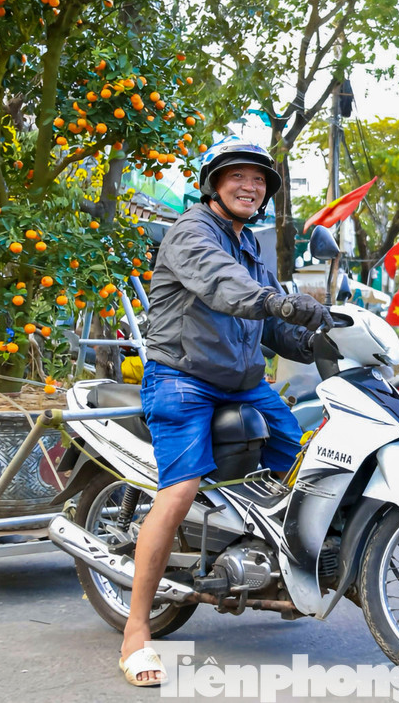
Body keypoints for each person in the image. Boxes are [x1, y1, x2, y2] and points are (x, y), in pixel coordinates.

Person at [120, 137, 332, 686]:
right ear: (213, 183)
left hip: (243, 383)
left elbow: (273, 321)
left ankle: (272, 567)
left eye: (259, 180)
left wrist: (319, 338)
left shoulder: (252, 245)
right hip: (183, 377)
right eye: (238, 176)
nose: (250, 186)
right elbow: (225, 287)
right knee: (182, 488)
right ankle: (137, 631)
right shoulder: (193, 233)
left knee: (301, 459)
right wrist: (277, 302)